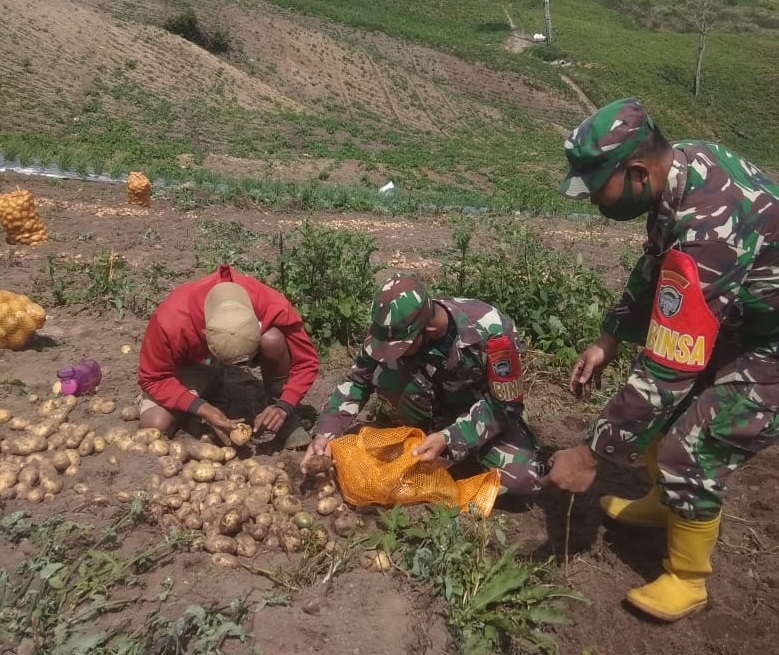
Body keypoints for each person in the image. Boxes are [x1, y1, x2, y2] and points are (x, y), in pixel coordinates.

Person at [544, 97, 779, 621]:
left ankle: (688, 578)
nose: (590, 201)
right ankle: (665, 501)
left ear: (635, 171)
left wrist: (589, 455)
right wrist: (609, 338)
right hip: (740, 317)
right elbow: (655, 265)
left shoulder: (708, 227)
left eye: (595, 187)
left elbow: (671, 368)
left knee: (696, 445)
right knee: (664, 416)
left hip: (771, 341)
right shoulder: (679, 172)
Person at [300, 273, 545, 496]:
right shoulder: (391, 327)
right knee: (389, 372)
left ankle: (451, 453)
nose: (391, 352)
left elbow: (506, 405)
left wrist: (449, 439)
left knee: (523, 481)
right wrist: (326, 435)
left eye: (401, 346)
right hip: (426, 410)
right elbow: (357, 382)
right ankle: (418, 435)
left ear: (428, 328)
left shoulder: (491, 330)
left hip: (478, 415)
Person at [137, 263, 319, 448]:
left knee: (273, 340)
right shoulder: (171, 320)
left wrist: (285, 405)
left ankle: (278, 409)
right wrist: (203, 409)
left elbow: (307, 362)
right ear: (203, 332)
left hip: (225, 357)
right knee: (155, 424)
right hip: (191, 366)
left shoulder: (270, 303)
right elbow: (152, 378)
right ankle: (206, 390)